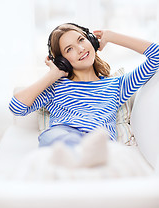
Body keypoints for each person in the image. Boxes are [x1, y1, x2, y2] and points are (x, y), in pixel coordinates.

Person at [9, 23, 159, 168]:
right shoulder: (55, 87)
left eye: (81, 40)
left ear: (91, 41)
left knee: (99, 141)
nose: (80, 49)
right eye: (69, 49)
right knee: (55, 137)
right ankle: (77, 158)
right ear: (62, 61)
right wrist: (52, 75)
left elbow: (156, 55)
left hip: (98, 137)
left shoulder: (117, 85)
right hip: (63, 133)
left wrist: (111, 36)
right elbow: (17, 107)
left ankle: (83, 159)